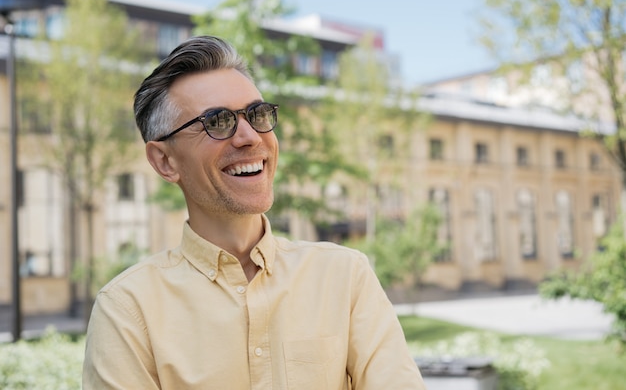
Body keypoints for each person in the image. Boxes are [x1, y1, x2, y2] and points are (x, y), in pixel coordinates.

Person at [83, 35, 426, 390]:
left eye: (257, 114)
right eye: (216, 121)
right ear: (165, 161)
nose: (250, 136)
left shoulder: (345, 276)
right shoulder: (127, 310)